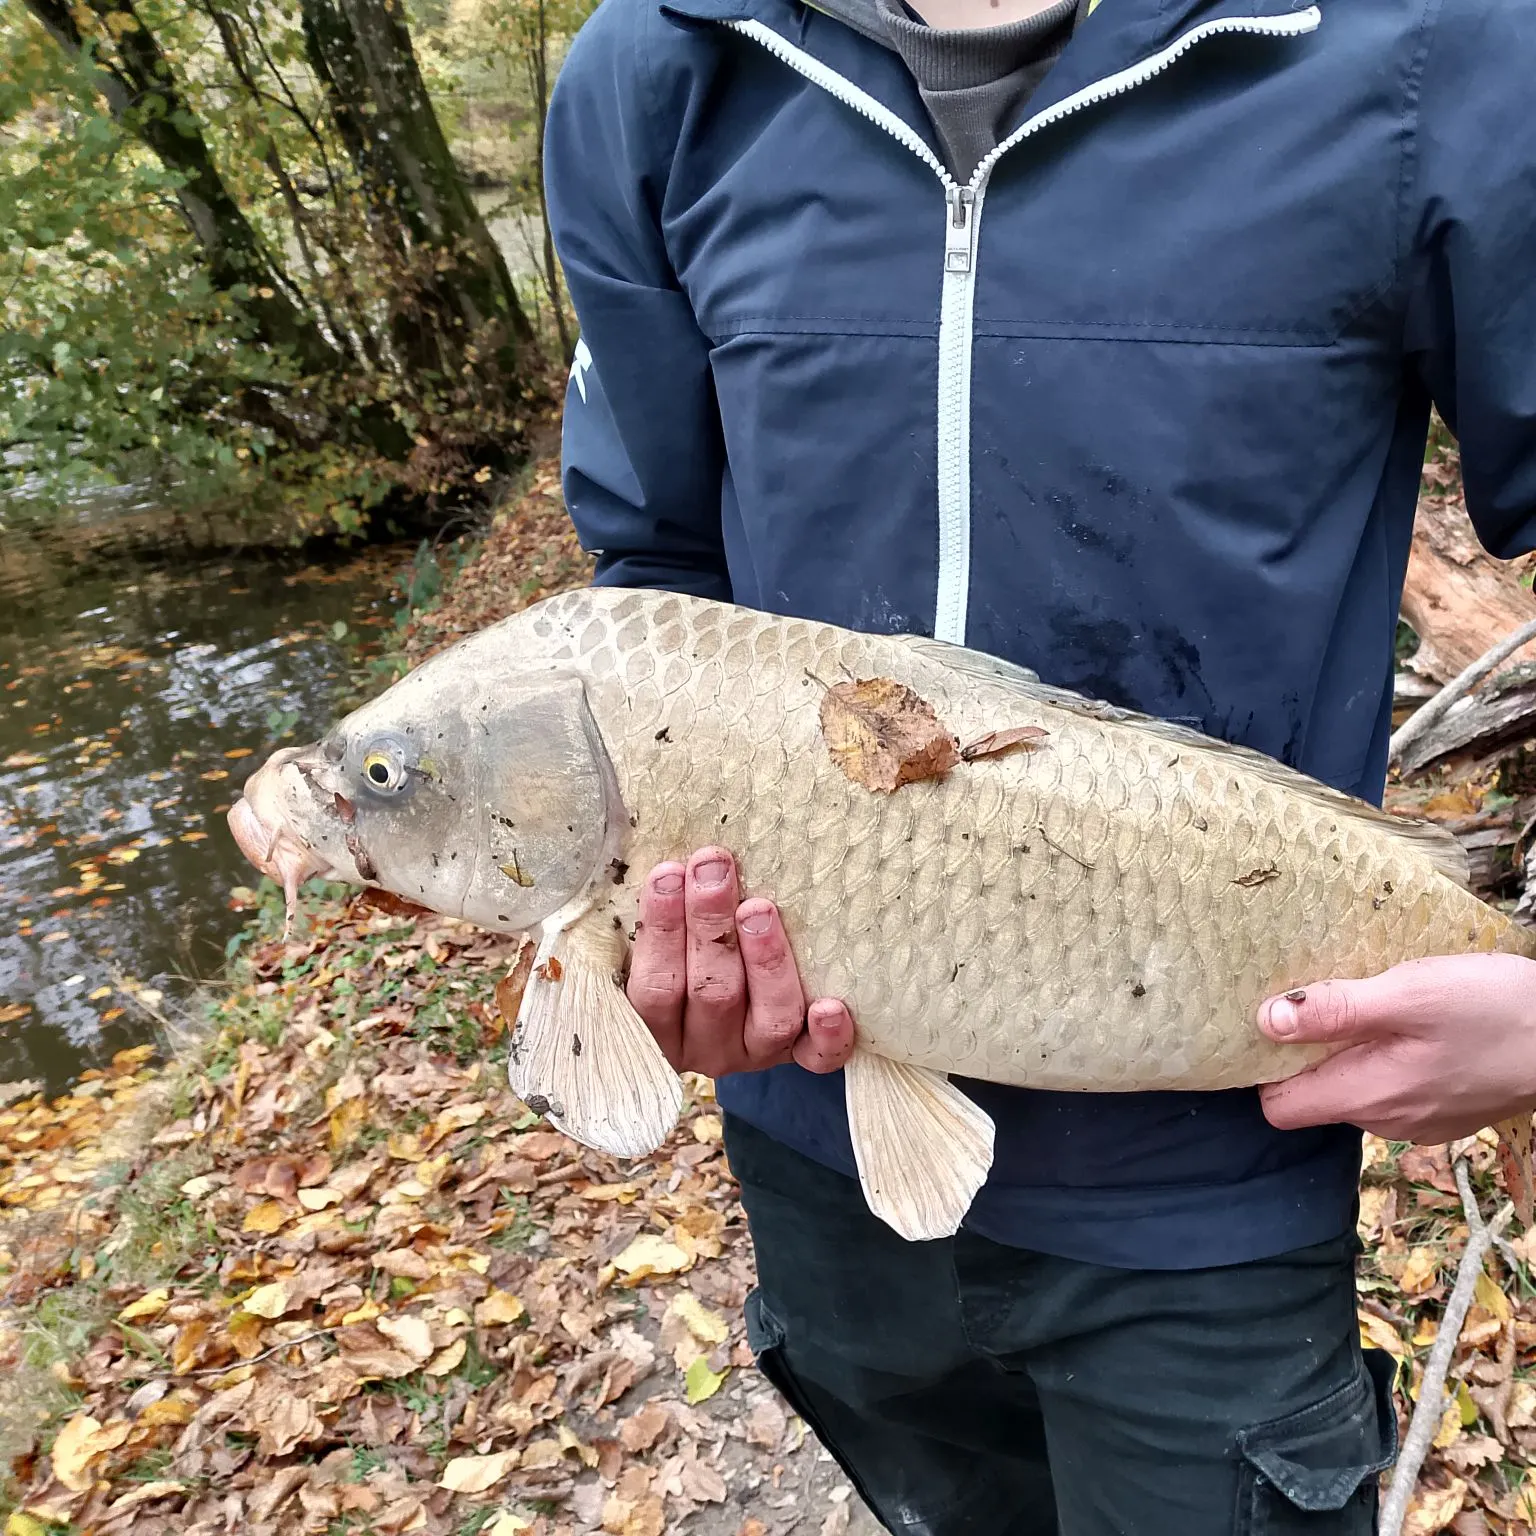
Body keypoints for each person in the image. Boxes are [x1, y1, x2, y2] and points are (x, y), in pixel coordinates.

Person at [540, 0, 1536, 1520]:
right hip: (825, 1151)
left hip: (1212, 1189)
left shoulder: (1440, 48)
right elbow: (657, 570)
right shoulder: (661, 68)